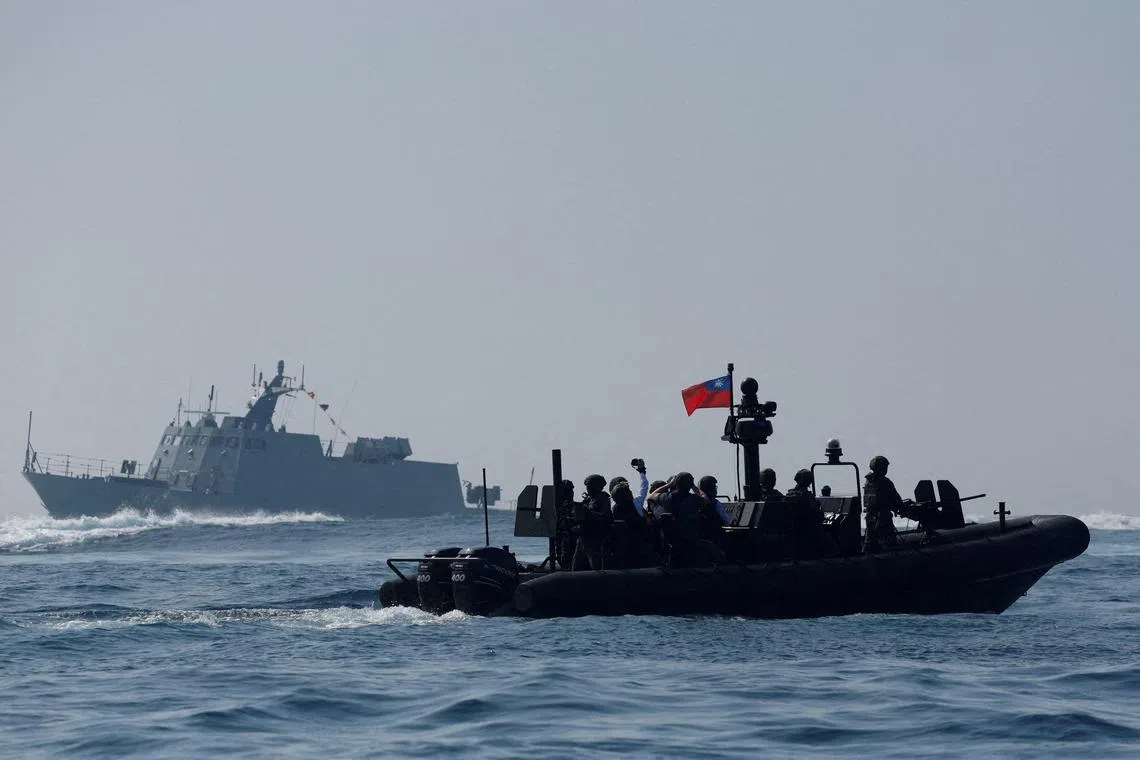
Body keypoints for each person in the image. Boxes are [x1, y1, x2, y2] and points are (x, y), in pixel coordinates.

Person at [646, 472, 708, 567]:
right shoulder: (695, 500)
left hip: (672, 542)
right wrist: (694, 486)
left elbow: (651, 496)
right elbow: (705, 498)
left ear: (676, 484)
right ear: (690, 485)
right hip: (691, 541)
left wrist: (669, 484)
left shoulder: (667, 498)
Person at [573, 474, 613, 570]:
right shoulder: (588, 500)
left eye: (589, 487)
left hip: (595, 539)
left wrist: (589, 514)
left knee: (596, 567)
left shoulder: (603, 499)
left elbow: (608, 518)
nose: (587, 489)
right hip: (583, 537)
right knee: (576, 566)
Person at [863, 456, 901, 552]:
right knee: (890, 543)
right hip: (883, 517)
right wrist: (901, 508)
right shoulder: (885, 482)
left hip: (870, 517)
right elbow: (896, 499)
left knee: (869, 542)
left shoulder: (868, 481)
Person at [786, 468, 823, 556]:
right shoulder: (807, 497)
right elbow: (817, 515)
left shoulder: (789, 494)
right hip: (807, 534)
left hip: (793, 533)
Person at [555, 479, 578, 570]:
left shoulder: (574, 506)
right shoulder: (558, 507)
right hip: (563, 537)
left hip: (573, 537)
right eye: (567, 491)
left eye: (571, 490)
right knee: (563, 558)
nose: (570, 493)